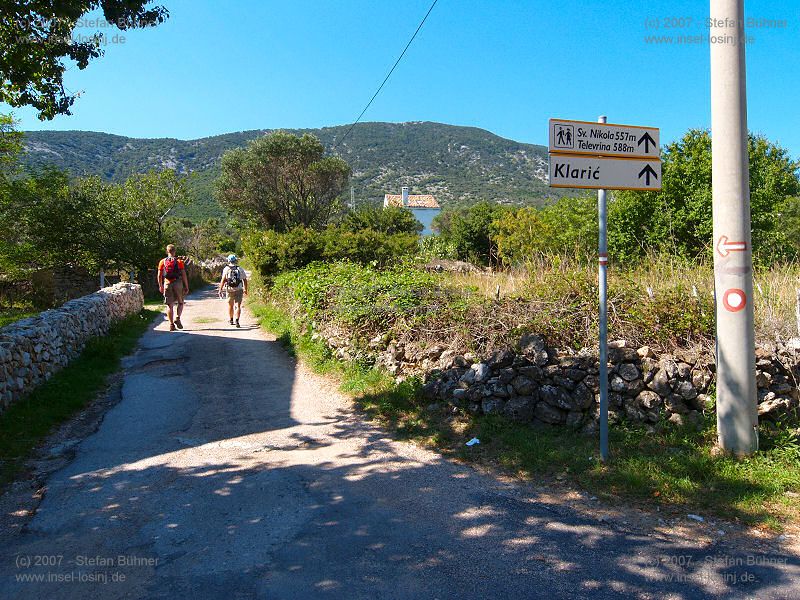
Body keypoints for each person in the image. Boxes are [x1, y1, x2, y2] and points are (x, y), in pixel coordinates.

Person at [157, 244, 190, 331]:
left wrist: (160, 285)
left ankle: (171, 325)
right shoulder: (179, 262)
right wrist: (186, 286)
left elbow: (159, 275)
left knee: (169, 305)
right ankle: (178, 318)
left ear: (167, 251)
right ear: (174, 251)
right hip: (178, 283)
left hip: (167, 283)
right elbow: (184, 275)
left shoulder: (162, 262)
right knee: (180, 302)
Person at [218, 254, 248, 327]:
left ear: (228, 261)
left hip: (229, 289)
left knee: (230, 305)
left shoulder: (226, 269)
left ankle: (231, 319)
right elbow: (245, 280)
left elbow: (223, 280)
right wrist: (245, 289)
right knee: (238, 306)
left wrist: (220, 289)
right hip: (239, 289)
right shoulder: (240, 269)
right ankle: (237, 321)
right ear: (235, 260)